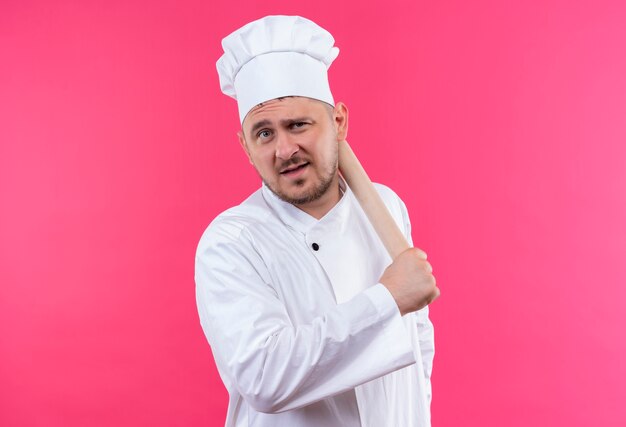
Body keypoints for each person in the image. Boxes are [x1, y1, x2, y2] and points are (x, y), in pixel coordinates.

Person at [195, 15, 439, 427]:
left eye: (298, 125)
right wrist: (387, 299)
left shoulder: (385, 207)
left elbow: (418, 348)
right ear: (245, 145)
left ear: (338, 121)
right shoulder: (232, 241)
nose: (284, 149)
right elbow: (264, 378)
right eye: (264, 133)